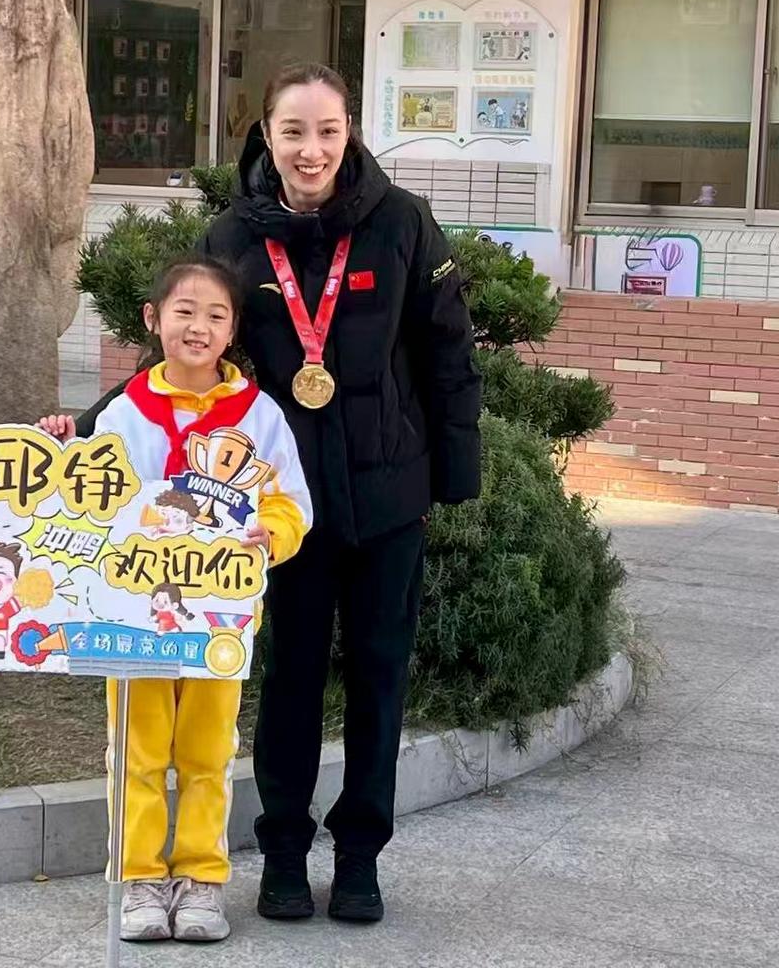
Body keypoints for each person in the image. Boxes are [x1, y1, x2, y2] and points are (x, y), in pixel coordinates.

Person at [79, 63, 481, 925]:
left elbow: (448, 352)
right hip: (275, 510)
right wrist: (79, 433)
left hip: (386, 498)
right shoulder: (235, 234)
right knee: (290, 677)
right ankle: (286, 854)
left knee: (378, 678)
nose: (311, 150)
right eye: (293, 131)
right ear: (266, 135)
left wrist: (453, 475)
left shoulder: (404, 223)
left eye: (328, 131)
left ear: (349, 132)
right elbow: (185, 360)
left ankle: (362, 856)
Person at [40, 256, 312, 945]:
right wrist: (58, 450)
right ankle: (138, 876)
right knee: (135, 750)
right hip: (133, 618)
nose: (199, 327)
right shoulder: (125, 410)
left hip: (219, 620)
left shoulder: (260, 416)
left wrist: (272, 534)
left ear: (233, 331)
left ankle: (200, 878)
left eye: (216, 315)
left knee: (207, 752)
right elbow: (79, 498)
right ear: (152, 319)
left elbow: (289, 503)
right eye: (184, 311)